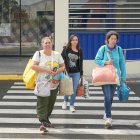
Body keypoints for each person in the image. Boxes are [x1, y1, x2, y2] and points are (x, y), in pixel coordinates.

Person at [31, 36, 65, 132]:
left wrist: (57, 70)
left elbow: (63, 66)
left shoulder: (57, 54)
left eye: (49, 42)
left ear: (52, 44)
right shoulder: (38, 54)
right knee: (42, 103)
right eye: (45, 43)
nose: (47, 44)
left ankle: (46, 120)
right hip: (42, 83)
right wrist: (45, 70)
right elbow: (33, 66)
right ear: (42, 44)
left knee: (50, 103)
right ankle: (43, 122)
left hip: (54, 83)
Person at [94, 31, 126, 129]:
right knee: (107, 96)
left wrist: (123, 78)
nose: (113, 40)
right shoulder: (103, 49)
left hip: (115, 76)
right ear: (107, 39)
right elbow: (97, 60)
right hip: (105, 76)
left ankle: (106, 112)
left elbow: (122, 64)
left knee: (111, 97)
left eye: (115, 39)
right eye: (111, 38)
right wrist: (106, 62)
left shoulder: (119, 49)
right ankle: (108, 117)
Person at [61, 34, 83, 112]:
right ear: (70, 41)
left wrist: (81, 74)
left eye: (76, 40)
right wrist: (62, 69)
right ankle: (65, 101)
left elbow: (81, 63)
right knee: (67, 88)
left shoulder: (79, 50)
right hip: (67, 72)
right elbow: (61, 59)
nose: (75, 41)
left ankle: (72, 105)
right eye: (73, 40)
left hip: (76, 72)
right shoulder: (66, 49)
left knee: (73, 89)